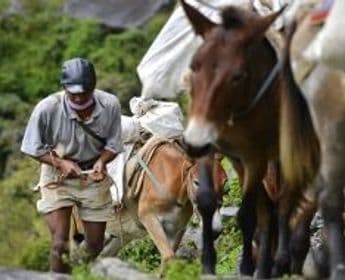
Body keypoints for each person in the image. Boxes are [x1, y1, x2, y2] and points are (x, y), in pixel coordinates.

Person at [21, 57, 123, 273]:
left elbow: (114, 144)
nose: (77, 97)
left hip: (91, 177)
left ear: (93, 88)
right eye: (72, 92)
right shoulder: (47, 108)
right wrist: (59, 163)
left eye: (83, 93)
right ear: (64, 88)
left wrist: (102, 162)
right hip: (57, 176)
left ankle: (72, 271)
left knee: (95, 244)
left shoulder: (110, 104)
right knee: (60, 242)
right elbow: (31, 146)